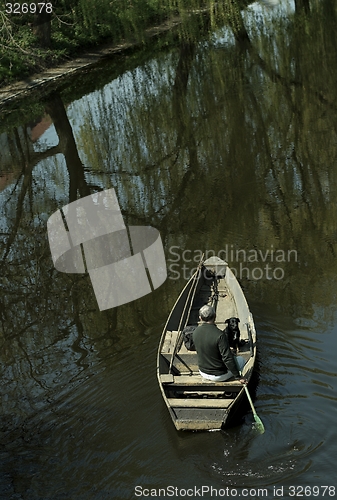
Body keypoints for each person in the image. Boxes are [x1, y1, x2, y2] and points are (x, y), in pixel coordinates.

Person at [193, 305, 247, 384]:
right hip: (219, 376)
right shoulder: (220, 335)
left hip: (202, 372)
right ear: (215, 316)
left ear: (200, 318)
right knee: (241, 360)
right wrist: (238, 377)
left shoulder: (195, 332)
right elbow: (227, 359)